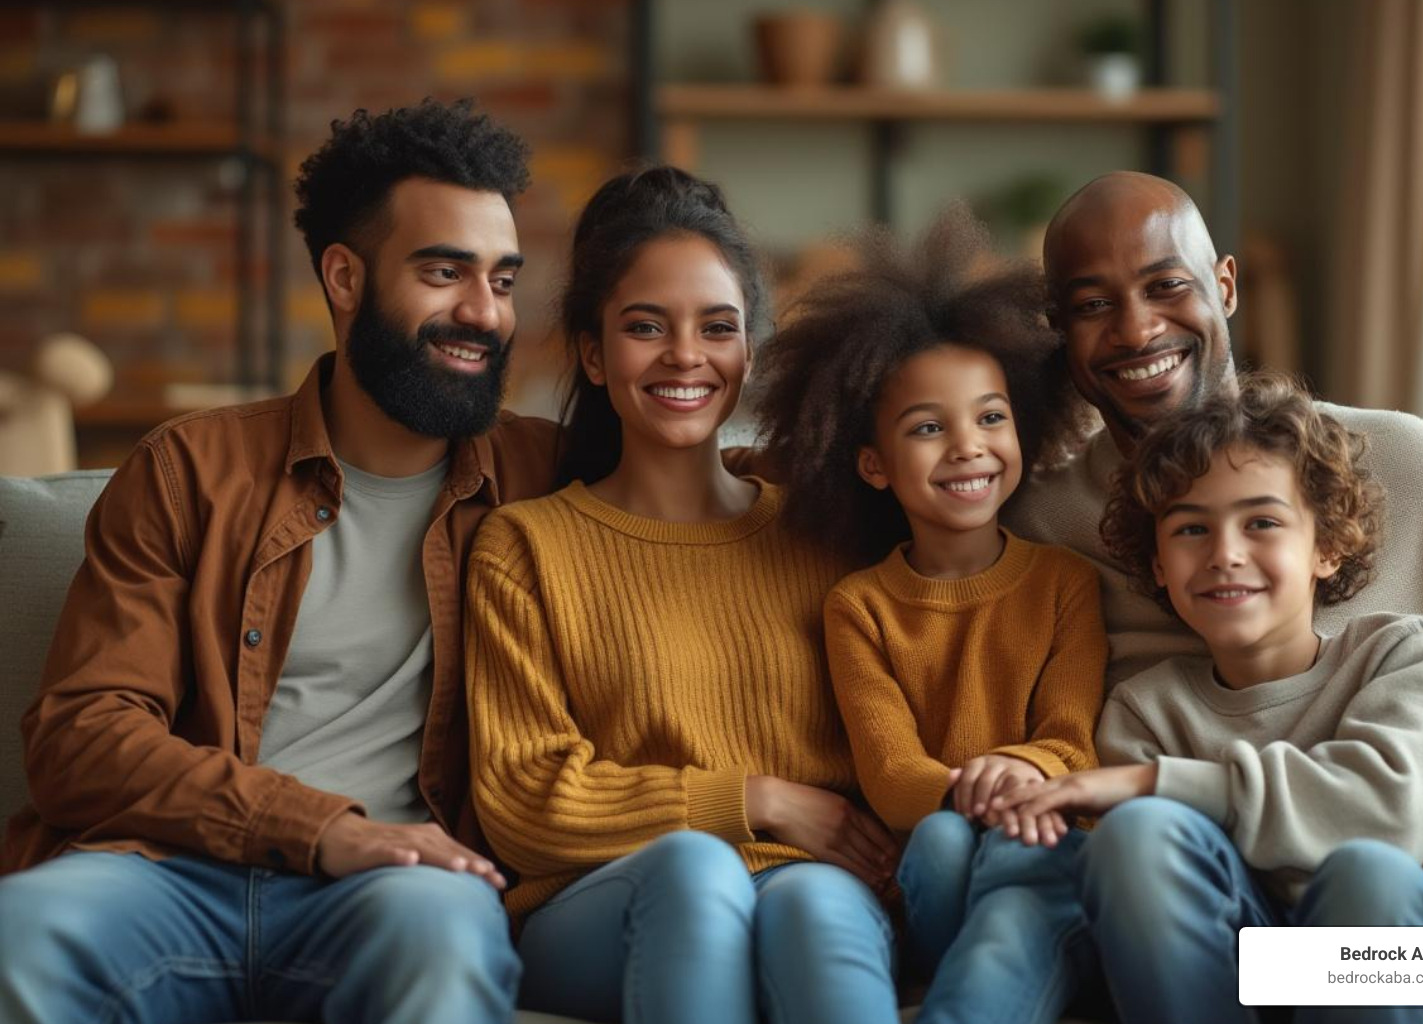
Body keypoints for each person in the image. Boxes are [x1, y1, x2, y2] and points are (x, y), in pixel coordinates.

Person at [0, 99, 549, 1024]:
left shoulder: (544, 474)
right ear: (343, 275)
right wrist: (316, 827)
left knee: (447, 942)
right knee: (20, 933)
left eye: (502, 279)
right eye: (444, 272)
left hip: (400, 891)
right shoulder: (189, 470)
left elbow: (713, 485)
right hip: (171, 875)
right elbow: (81, 737)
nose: (482, 312)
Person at [464, 165, 904, 1024]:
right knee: (697, 869)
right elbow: (522, 798)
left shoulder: (825, 535)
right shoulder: (526, 549)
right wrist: (753, 800)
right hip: (598, 903)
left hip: (808, 884)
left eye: (717, 327)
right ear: (593, 353)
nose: (685, 356)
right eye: (644, 327)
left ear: (751, 350)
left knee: (815, 907)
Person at [999, 372, 1423, 1024]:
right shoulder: (1145, 713)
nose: (1225, 554)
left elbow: (1381, 822)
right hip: (1263, 976)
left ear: (1327, 546)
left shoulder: (1410, 655)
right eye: (1191, 530)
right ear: (1159, 565)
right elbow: (1159, 917)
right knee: (1137, 832)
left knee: (1364, 876)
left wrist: (1156, 783)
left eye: (1263, 522)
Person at [1005, 171, 1423, 720]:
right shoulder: (1037, 531)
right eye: (1093, 305)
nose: (1137, 331)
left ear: (1226, 288)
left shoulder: (1408, 464)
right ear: (1058, 327)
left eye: (1167, 286)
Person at [753, 205, 1107, 1023]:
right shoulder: (861, 607)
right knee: (946, 842)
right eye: (926, 428)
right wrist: (973, 791)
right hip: (934, 864)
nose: (968, 447)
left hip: (1040, 841)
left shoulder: (1063, 582)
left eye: (990, 417)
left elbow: (1069, 740)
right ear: (873, 465)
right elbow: (893, 777)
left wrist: (1018, 771)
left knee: (999, 845)